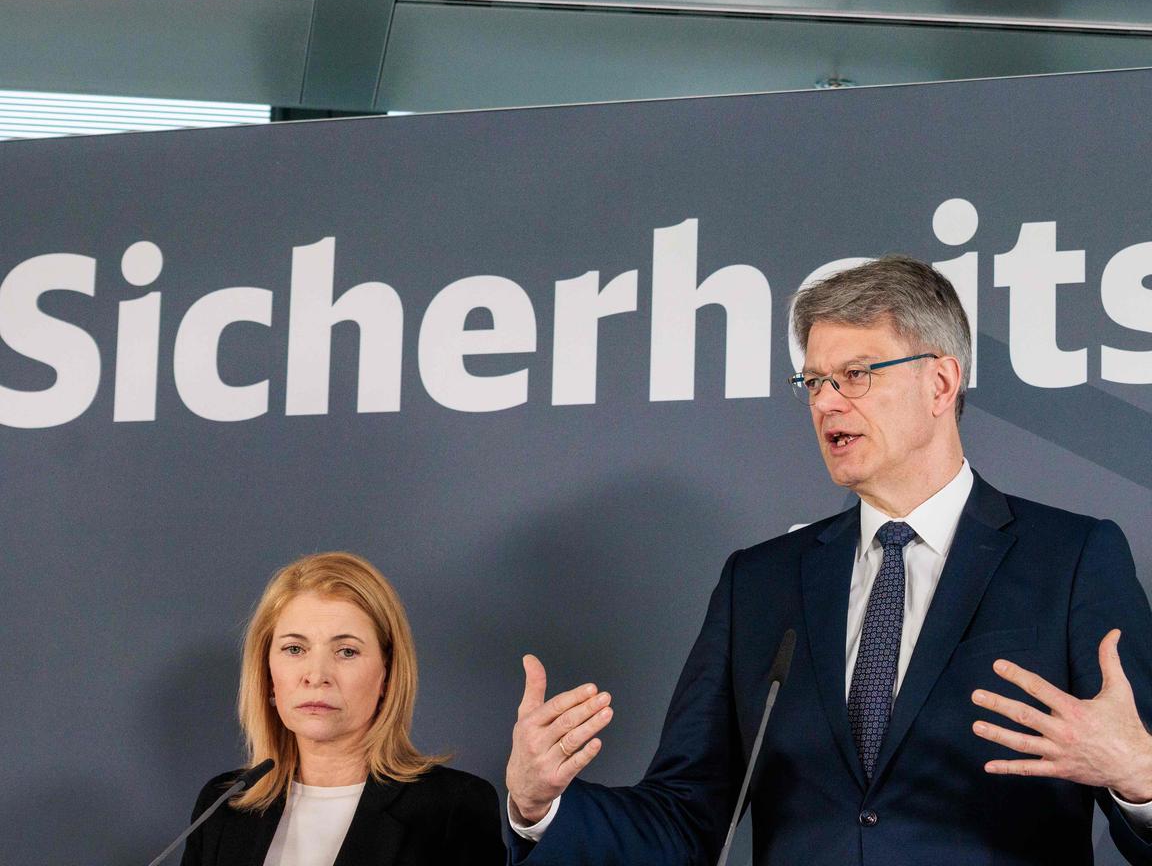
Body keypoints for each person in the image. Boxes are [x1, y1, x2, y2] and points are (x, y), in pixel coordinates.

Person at [505, 256, 1152, 864]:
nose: (825, 402)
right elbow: (685, 822)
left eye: (856, 375)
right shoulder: (761, 584)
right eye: (813, 380)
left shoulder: (1069, 559)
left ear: (941, 381)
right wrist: (542, 807)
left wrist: (1141, 778)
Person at [180, 551, 504, 866]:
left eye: (346, 651)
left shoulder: (452, 808)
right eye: (295, 648)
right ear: (266, 674)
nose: (317, 675)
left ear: (387, 675)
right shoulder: (225, 805)